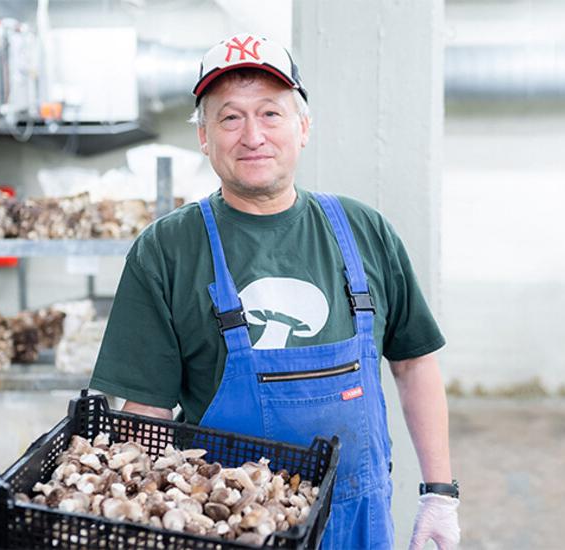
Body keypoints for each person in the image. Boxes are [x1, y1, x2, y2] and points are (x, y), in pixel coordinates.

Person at [90, 33, 460, 550]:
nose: (253, 135)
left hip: (356, 521)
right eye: (230, 118)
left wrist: (439, 494)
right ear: (204, 137)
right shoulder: (167, 250)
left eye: (270, 113)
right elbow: (145, 412)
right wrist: (134, 511)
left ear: (302, 127)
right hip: (221, 523)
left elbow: (414, 363)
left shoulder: (365, 231)